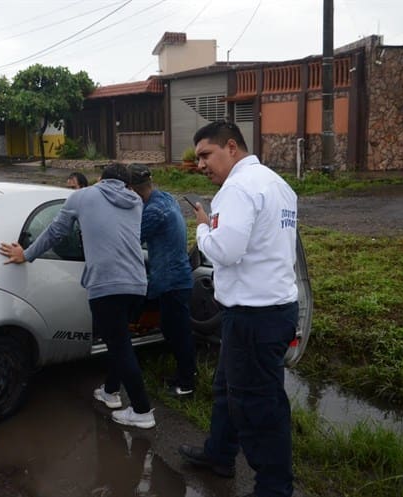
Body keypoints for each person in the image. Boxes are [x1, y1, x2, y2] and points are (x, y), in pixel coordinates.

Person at [178, 121, 299, 497]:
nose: (201, 165)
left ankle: (274, 488)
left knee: (257, 406)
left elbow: (225, 251)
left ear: (231, 147)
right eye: (198, 157)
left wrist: (202, 229)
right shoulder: (278, 184)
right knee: (229, 390)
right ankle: (219, 453)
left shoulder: (237, 188)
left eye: (205, 155)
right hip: (272, 309)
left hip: (253, 316)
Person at [0, 163, 156, 429]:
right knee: (121, 340)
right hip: (138, 283)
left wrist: (26, 254)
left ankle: (142, 410)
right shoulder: (135, 202)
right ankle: (110, 392)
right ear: (126, 184)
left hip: (107, 284)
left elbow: (55, 232)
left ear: (99, 179)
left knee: (119, 345)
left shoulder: (82, 197)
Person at [127, 163, 197, 396]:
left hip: (171, 281)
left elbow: (130, 241)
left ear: (134, 190)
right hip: (177, 277)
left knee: (178, 333)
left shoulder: (153, 211)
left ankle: (187, 383)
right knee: (175, 329)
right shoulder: (165, 199)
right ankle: (184, 375)